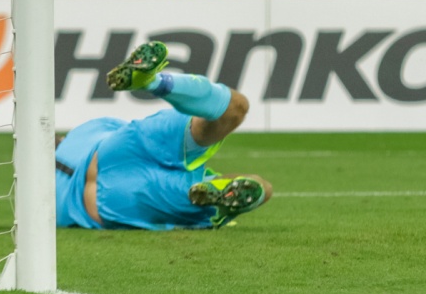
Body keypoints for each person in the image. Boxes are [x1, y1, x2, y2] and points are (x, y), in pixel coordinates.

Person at [56, 40, 271, 231]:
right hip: (122, 145)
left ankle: (227, 200)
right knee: (235, 108)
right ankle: (153, 82)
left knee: (260, 186)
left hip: (110, 202)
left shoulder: (49, 187)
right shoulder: (86, 131)